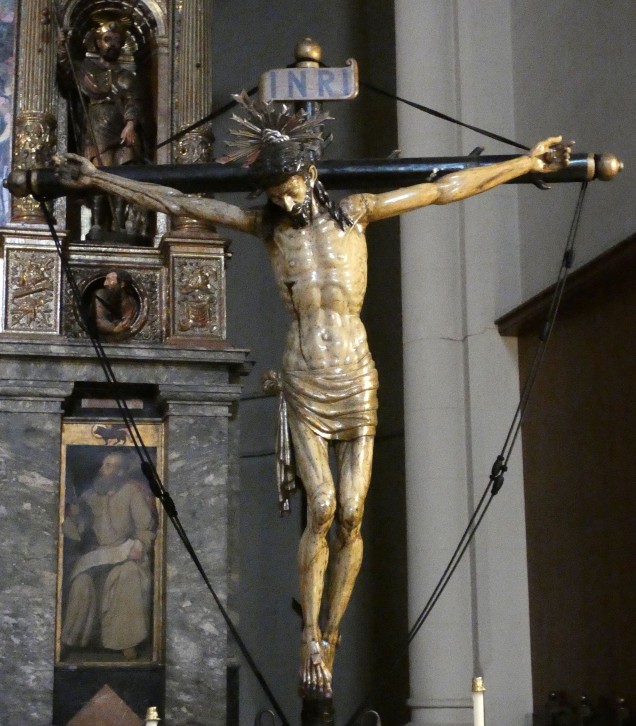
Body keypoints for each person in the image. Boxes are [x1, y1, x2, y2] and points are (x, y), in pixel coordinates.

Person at [54, 95, 571, 695]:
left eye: (291, 185)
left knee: (352, 515)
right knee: (322, 507)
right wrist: (100, 177)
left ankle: (331, 631)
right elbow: (180, 202)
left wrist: (525, 163)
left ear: (309, 173)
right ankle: (308, 638)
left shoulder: (356, 212)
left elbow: (441, 191)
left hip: (355, 375)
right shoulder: (268, 228)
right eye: (275, 191)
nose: (285, 198)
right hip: (304, 375)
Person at [62, 451, 158, 660]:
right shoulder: (89, 496)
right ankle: (72, 641)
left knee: (128, 575)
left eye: (109, 465)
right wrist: (74, 518)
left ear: (120, 472)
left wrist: (140, 545)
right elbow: (77, 534)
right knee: (81, 582)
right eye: (103, 464)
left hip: (125, 553)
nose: (102, 469)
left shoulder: (131, 492)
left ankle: (126, 642)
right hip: (96, 556)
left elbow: (146, 528)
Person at [57, 15, 144, 239]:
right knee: (99, 173)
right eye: (107, 40)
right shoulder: (86, 69)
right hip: (97, 124)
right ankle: (96, 224)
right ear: (98, 43)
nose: (112, 45)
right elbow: (67, 74)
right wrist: (62, 47)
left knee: (122, 175)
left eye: (117, 41)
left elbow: (133, 102)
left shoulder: (127, 77)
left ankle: (120, 225)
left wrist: (130, 125)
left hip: (122, 128)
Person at [90, 269, 138, 336]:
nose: (105, 284)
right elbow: (100, 320)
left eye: (109, 279)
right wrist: (114, 329)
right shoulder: (100, 295)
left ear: (122, 284)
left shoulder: (132, 303)